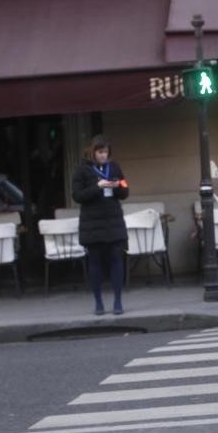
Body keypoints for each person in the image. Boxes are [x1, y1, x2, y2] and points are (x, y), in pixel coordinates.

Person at [71, 135, 129, 315]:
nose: (103, 156)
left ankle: (118, 301)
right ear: (93, 152)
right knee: (95, 262)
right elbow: (77, 195)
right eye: (100, 152)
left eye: (106, 152)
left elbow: (125, 190)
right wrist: (98, 187)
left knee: (116, 259)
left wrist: (117, 185)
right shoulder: (82, 170)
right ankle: (98, 303)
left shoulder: (115, 167)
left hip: (113, 219)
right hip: (92, 221)